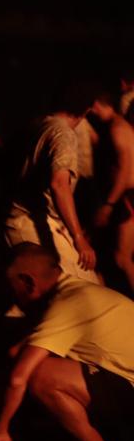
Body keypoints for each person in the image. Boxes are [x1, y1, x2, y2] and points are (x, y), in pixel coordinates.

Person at [0, 243, 134, 441]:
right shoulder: (78, 291)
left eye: (12, 288)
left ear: (28, 282)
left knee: (40, 374)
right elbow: (17, 350)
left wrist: (1, 431)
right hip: (125, 381)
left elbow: (18, 378)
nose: (13, 299)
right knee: (32, 361)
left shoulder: (67, 304)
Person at [4, 95, 100, 284]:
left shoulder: (38, 125)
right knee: (79, 285)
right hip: (33, 222)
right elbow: (59, 184)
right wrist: (78, 237)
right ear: (86, 111)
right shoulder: (63, 134)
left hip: (21, 220)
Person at [89, 94, 134, 294]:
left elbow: (126, 169)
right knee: (117, 256)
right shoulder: (115, 127)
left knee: (122, 258)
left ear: (97, 105)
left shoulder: (117, 129)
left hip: (128, 197)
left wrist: (109, 204)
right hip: (125, 197)